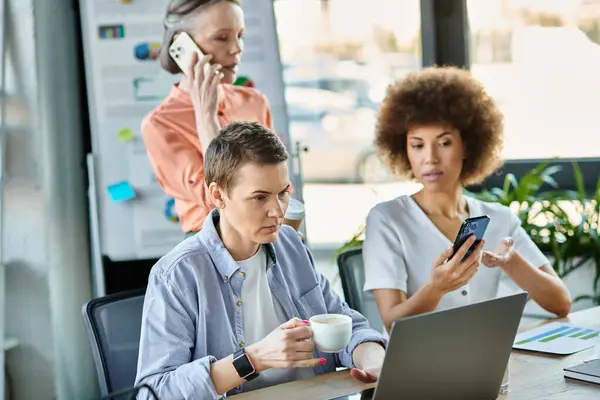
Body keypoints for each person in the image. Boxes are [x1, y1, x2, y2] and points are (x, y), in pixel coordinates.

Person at [135, 122, 386, 399]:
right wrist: (254, 358)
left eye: (283, 193)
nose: (277, 211)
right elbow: (154, 392)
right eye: (259, 197)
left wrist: (373, 357)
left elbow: (342, 325)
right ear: (218, 195)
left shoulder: (290, 244)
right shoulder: (178, 274)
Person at [362, 66, 572, 333]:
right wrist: (435, 288)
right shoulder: (388, 218)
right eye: (417, 145)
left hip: (485, 362)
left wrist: (512, 262)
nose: (430, 158)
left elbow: (561, 303)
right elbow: (392, 322)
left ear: (468, 146)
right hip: (416, 366)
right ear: (403, 149)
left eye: (444, 142)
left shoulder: (499, 219)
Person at [142, 0, 280, 235]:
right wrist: (206, 118)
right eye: (222, 38)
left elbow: (280, 184)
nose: (237, 48)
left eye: (240, 35)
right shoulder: (160, 126)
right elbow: (218, 198)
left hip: (270, 239)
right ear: (183, 46)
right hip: (212, 252)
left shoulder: (255, 103)